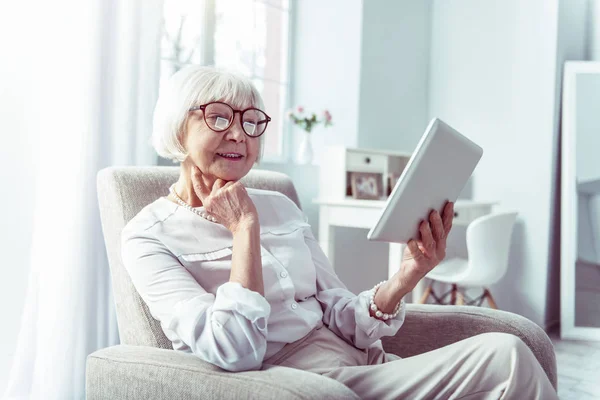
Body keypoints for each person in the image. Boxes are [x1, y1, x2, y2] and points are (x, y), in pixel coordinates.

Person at [121, 65, 558, 400]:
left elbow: (342, 314)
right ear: (178, 127)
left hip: (367, 363)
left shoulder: (280, 205)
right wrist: (244, 230)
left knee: (513, 352)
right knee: (506, 355)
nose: (239, 133)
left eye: (251, 120)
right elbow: (236, 349)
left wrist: (409, 273)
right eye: (218, 117)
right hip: (308, 383)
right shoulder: (148, 236)